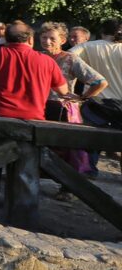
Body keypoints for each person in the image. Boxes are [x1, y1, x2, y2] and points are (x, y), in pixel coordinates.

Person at [0, 21, 68, 205]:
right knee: (25, 158)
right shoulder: (47, 61)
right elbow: (63, 90)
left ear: (5, 39)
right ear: (31, 39)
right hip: (33, 120)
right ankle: (19, 199)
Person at [38, 22, 106, 185]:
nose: (47, 41)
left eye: (52, 38)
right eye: (44, 37)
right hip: (40, 108)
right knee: (41, 146)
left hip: (63, 109)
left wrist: (81, 97)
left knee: (70, 151)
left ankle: (68, 188)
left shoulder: (70, 58)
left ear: (62, 40)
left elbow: (99, 81)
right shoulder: (38, 57)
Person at [70, 19, 122, 176]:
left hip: (96, 101)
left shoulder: (88, 46)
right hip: (120, 103)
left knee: (91, 140)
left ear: (102, 31)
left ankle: (88, 172)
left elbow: (68, 56)